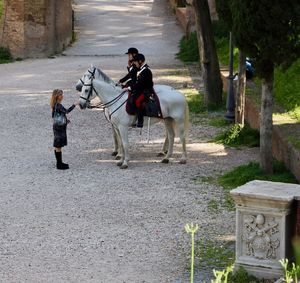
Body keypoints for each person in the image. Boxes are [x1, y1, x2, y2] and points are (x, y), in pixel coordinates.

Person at [50, 89, 79, 170]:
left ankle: (59, 163)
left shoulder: (54, 105)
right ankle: (59, 164)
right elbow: (66, 111)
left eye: (62, 94)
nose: (62, 96)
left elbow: (55, 116)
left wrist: (65, 120)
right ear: (57, 96)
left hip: (56, 127)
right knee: (58, 146)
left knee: (57, 145)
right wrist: (74, 104)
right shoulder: (58, 105)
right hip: (59, 128)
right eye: (61, 95)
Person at [126, 53, 154, 128]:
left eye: (135, 62)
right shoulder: (140, 69)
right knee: (131, 97)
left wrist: (130, 88)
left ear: (140, 61)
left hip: (146, 91)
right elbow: (136, 81)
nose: (134, 64)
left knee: (137, 101)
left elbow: (140, 83)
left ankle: (140, 121)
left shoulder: (146, 71)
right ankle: (133, 117)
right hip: (140, 89)